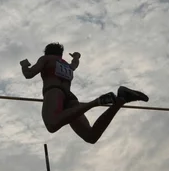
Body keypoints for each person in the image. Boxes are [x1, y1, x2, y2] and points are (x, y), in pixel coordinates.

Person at [20, 42, 148, 143]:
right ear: (61, 54)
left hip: (55, 93)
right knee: (90, 136)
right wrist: (76, 56)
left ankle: (96, 102)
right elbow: (75, 64)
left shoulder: (46, 59)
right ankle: (121, 99)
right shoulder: (65, 64)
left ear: (47, 52)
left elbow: (29, 74)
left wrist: (24, 65)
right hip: (70, 98)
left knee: (52, 124)